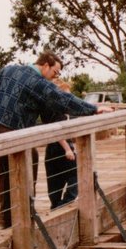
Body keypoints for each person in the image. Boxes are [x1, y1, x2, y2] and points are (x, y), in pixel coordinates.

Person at [0, 51, 110, 228]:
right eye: (55, 72)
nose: (54, 77)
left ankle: (6, 220)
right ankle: (25, 215)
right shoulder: (38, 82)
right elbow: (64, 99)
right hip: (15, 131)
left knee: (4, 173)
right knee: (27, 165)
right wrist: (93, 109)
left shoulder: (9, 69)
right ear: (45, 65)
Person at [42, 79, 79, 210]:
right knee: (78, 173)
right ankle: (65, 202)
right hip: (61, 148)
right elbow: (57, 132)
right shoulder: (58, 112)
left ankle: (56, 205)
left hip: (51, 149)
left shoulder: (50, 108)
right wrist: (68, 149)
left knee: (54, 182)